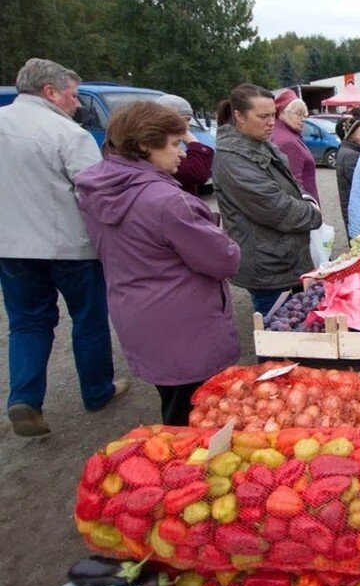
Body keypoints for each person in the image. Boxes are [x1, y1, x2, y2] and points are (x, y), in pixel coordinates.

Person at [76, 102, 241, 425]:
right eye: (175, 144)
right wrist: (220, 235)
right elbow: (224, 260)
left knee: (174, 403)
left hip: (139, 318)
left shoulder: (97, 189)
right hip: (186, 326)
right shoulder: (168, 201)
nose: (182, 153)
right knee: (200, 417)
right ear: (143, 145)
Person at [0, 58, 125, 437]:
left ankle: (25, 397)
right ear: (50, 92)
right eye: (73, 96)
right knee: (87, 319)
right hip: (69, 246)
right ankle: (97, 390)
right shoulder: (67, 134)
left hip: (11, 246)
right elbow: (97, 195)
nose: (76, 104)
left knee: (27, 322)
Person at [212, 84, 323, 316]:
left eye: (273, 115)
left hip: (283, 259)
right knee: (279, 337)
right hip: (268, 266)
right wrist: (313, 213)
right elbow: (276, 208)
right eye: (263, 116)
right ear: (239, 116)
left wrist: (304, 199)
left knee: (297, 328)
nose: (271, 121)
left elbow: (292, 185)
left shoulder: (261, 144)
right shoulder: (232, 160)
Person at [155, 93, 215, 196]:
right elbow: (198, 173)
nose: (188, 126)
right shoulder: (159, 147)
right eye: (186, 119)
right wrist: (192, 141)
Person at [271, 90, 319, 201]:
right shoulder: (288, 141)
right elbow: (294, 186)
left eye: (304, 115)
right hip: (303, 209)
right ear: (282, 113)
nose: (303, 119)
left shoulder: (284, 133)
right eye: (298, 114)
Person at [335, 116, 360, 228]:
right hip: (354, 207)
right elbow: (359, 183)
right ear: (351, 136)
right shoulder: (350, 155)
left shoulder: (348, 151)